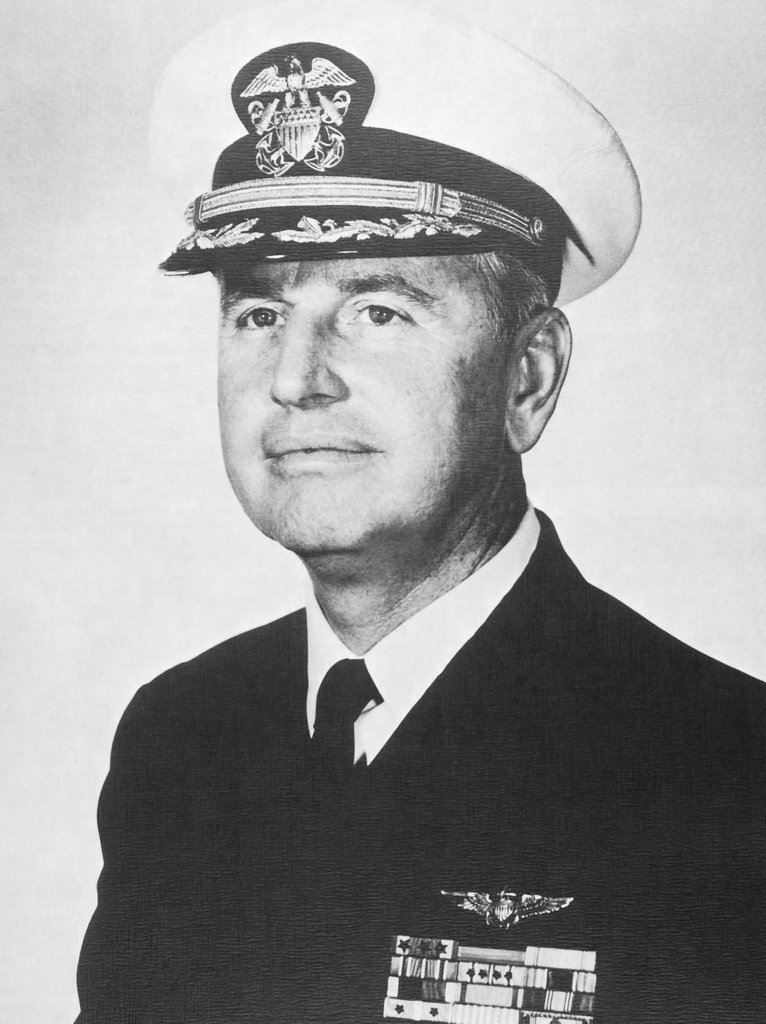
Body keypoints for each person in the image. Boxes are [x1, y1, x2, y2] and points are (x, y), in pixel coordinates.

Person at [74, 11, 765, 1024]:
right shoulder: (181, 737)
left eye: (378, 311)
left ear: (527, 378)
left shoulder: (721, 766)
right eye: (259, 313)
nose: (296, 378)